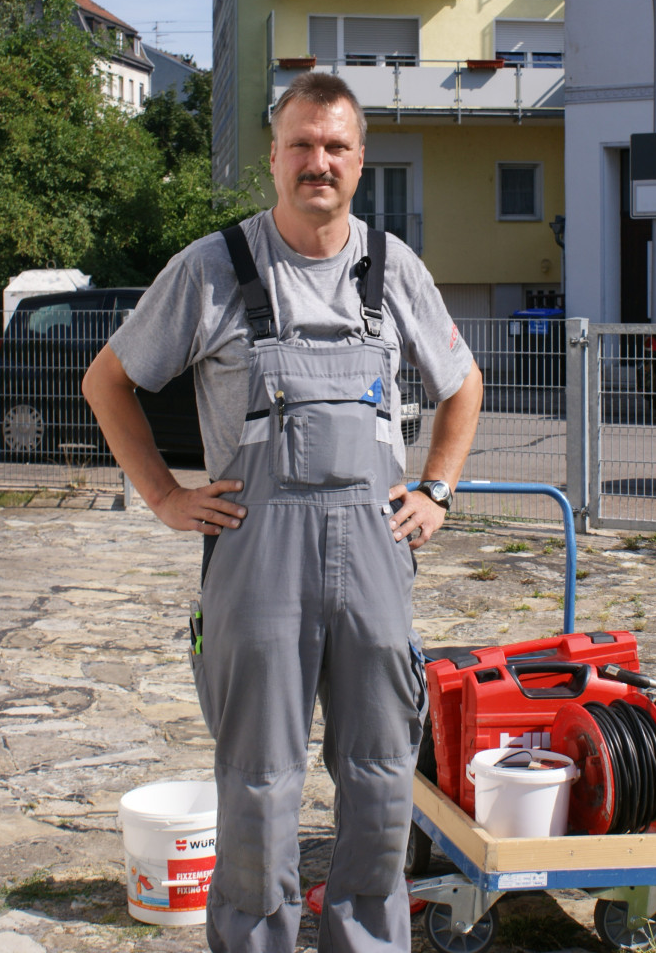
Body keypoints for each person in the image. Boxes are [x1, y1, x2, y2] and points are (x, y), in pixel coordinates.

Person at [82, 71, 483, 953]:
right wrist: (161, 495)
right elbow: (106, 380)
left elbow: (462, 385)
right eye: (300, 144)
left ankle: (365, 942)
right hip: (255, 564)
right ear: (272, 157)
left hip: (376, 559)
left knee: (380, 776)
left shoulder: (392, 267)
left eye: (335, 146)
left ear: (360, 161)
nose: (318, 162)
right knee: (259, 784)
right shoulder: (213, 267)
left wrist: (438, 492)